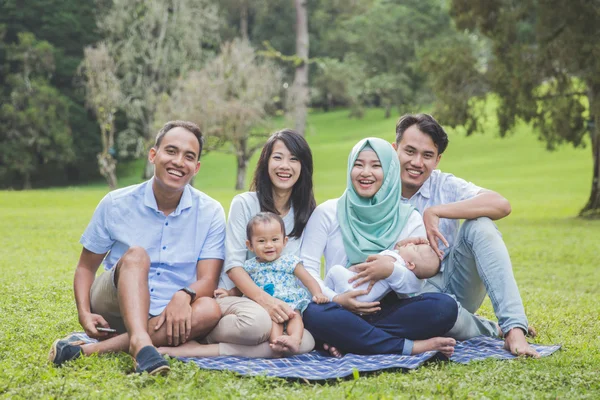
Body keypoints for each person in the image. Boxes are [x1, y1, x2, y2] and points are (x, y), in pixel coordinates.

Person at [48, 120, 226, 375]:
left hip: (170, 312)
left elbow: (208, 279)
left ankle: (100, 349)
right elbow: (86, 267)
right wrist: (84, 313)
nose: (178, 162)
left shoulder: (211, 212)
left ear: (196, 167)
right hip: (115, 302)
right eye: (171, 151)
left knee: (210, 309)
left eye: (189, 157)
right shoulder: (115, 203)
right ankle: (141, 341)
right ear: (153, 155)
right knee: (137, 255)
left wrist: (184, 295)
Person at [388, 113, 539, 357]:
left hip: (453, 282)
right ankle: (489, 328)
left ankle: (513, 330)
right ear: (394, 149)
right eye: (409, 151)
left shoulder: (444, 185)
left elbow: (500, 204)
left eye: (427, 155)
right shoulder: (376, 186)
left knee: (480, 224)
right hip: (406, 295)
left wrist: (436, 211)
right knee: (425, 314)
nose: (417, 162)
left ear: (437, 160)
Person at [159, 129, 318, 359]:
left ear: (303, 167)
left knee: (306, 342)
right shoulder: (244, 203)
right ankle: (209, 332)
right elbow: (234, 265)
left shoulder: (306, 213)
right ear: (266, 163)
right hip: (237, 300)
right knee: (257, 325)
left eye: (294, 159)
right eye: (278, 157)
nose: (285, 166)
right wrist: (267, 302)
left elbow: (304, 269)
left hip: (282, 308)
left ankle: (201, 349)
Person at [301, 137, 458, 358]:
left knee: (444, 307)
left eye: (376, 165)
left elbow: (414, 283)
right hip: (338, 306)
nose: (366, 172)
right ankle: (409, 347)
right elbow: (306, 268)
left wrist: (390, 270)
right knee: (312, 313)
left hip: (388, 311)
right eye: (358, 164)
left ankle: (346, 339)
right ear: (350, 168)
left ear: (390, 171)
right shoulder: (328, 212)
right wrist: (337, 300)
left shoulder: (408, 218)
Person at [215, 212, 328, 355]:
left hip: (290, 303)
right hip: (267, 308)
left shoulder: (289, 261)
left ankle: (294, 339)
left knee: (296, 317)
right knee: (274, 322)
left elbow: (308, 279)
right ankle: (277, 342)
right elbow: (241, 288)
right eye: (261, 241)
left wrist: (317, 293)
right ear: (250, 245)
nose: (269, 245)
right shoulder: (250, 266)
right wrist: (229, 292)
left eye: (275, 239)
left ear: (284, 241)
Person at [325, 242, 440, 303]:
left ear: (410, 264)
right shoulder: (406, 276)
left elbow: (366, 265)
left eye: (414, 248)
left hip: (354, 287)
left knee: (334, 271)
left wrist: (352, 270)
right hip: (366, 300)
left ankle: (323, 295)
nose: (410, 244)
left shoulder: (393, 259)